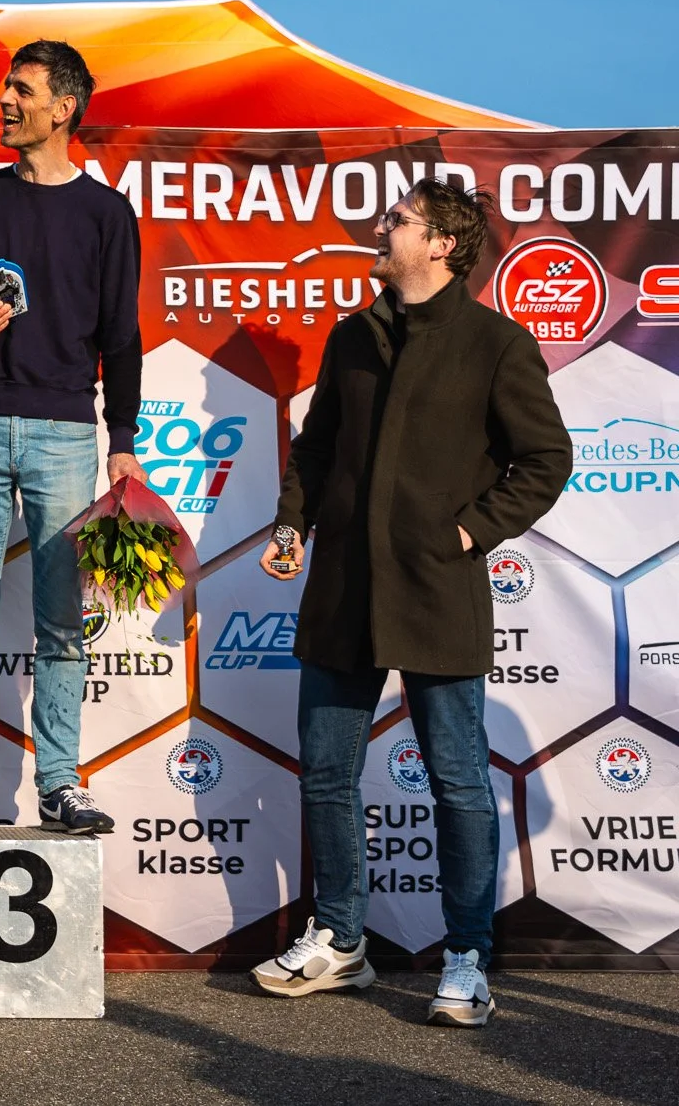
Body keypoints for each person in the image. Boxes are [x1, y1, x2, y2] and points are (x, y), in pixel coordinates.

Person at [252, 179, 570, 1028]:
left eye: (398, 220)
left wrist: (468, 533)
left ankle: (467, 955)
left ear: (441, 246)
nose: (382, 227)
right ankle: (341, 940)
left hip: (438, 589)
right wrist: (291, 524)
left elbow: (545, 460)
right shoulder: (352, 335)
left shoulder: (497, 343)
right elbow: (315, 449)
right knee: (327, 771)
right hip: (343, 590)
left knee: (459, 780)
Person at [0, 40, 144, 838]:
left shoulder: (108, 213)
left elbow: (122, 336)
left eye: (23, 90)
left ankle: (59, 782)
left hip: (63, 431)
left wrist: (122, 436)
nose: (5, 101)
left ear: (65, 107)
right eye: (6, 87)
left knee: (60, 620)